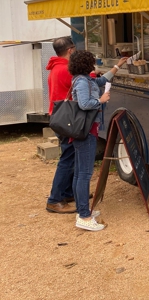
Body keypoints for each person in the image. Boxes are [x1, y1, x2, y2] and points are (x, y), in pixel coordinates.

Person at [68, 50, 127, 231]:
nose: (94, 64)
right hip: (85, 132)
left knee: (79, 173)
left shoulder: (85, 79)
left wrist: (118, 66)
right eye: (92, 62)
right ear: (86, 64)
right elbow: (84, 104)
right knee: (84, 174)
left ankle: (82, 210)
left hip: (83, 131)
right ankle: (84, 217)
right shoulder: (82, 82)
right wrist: (100, 100)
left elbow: (102, 81)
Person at [45, 37, 77, 214]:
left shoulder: (55, 67)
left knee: (70, 156)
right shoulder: (65, 69)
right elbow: (82, 83)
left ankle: (67, 192)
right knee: (67, 158)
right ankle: (54, 200)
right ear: (70, 50)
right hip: (66, 119)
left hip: (58, 116)